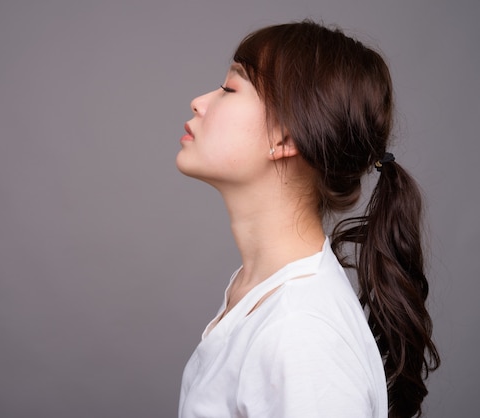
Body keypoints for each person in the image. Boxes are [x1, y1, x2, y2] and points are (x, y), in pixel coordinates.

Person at [176, 20, 440, 418]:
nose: (199, 101)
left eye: (230, 88)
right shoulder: (259, 293)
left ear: (286, 138)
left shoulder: (301, 334)